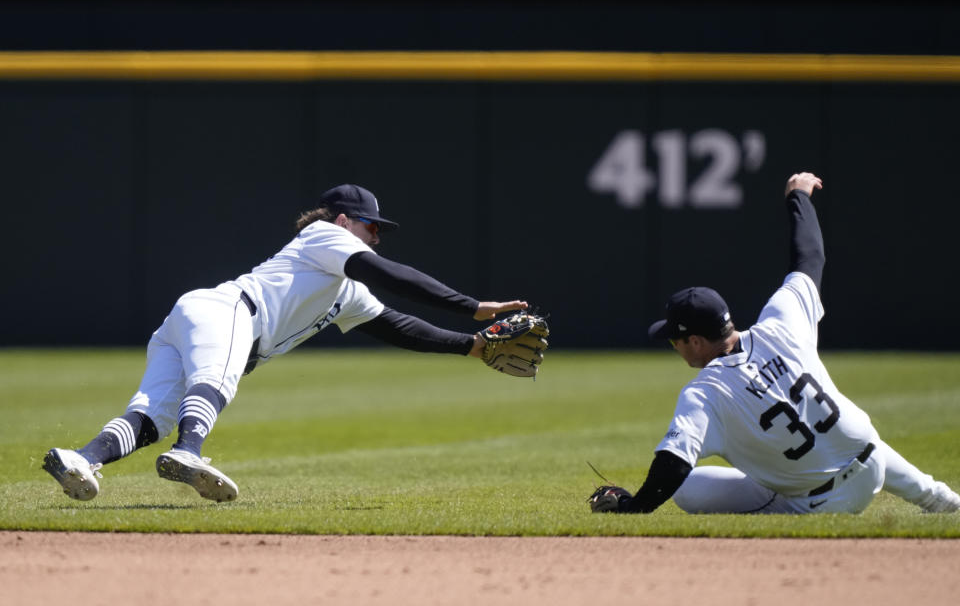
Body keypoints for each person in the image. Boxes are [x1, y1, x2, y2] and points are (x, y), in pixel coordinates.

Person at [43, 184, 530, 503]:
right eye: (371, 226)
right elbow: (390, 274)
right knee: (217, 381)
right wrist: (472, 306)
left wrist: (472, 345)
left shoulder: (346, 290)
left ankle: (79, 459)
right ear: (344, 221)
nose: (376, 236)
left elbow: (398, 326)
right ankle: (189, 450)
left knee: (150, 414)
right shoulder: (324, 236)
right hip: (229, 311)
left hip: (194, 319)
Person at [591, 172, 960, 515]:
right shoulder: (782, 322)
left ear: (697, 341)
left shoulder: (705, 393)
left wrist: (630, 505)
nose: (674, 346)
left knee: (686, 489)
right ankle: (944, 501)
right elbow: (810, 256)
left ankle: (931, 497)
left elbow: (672, 465)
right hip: (871, 458)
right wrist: (798, 196)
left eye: (676, 339)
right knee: (853, 443)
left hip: (823, 501)